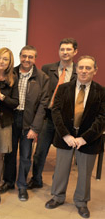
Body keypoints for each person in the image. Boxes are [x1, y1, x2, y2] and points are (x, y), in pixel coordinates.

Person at [45, 56, 105, 219]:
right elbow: (55, 112)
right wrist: (65, 134)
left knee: (85, 173)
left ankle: (81, 202)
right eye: (81, 67)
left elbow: (102, 117)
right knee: (60, 170)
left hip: (89, 139)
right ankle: (57, 197)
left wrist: (84, 138)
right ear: (76, 69)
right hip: (66, 137)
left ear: (95, 70)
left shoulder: (101, 92)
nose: (84, 71)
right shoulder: (63, 88)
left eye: (88, 68)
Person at [0, 45, 49, 201]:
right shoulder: (10, 73)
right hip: (11, 118)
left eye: (30, 57)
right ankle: (8, 181)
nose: (27, 59)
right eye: (24, 56)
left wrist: (35, 127)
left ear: (35, 58)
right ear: (20, 56)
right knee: (9, 154)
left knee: (26, 156)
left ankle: (22, 186)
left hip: (29, 122)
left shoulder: (42, 78)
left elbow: (43, 104)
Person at [29, 38, 78, 190]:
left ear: (75, 52)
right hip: (47, 118)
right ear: (58, 51)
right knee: (40, 152)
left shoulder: (79, 71)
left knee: (63, 156)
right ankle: (36, 179)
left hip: (65, 120)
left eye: (68, 49)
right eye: (62, 49)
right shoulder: (47, 68)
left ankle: (58, 185)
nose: (65, 52)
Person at [0, 48, 19, 205]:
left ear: (10, 62)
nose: (1, 61)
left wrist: (1, 96)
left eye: (5, 59)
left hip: (3, 122)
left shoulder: (13, 79)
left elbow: (15, 103)